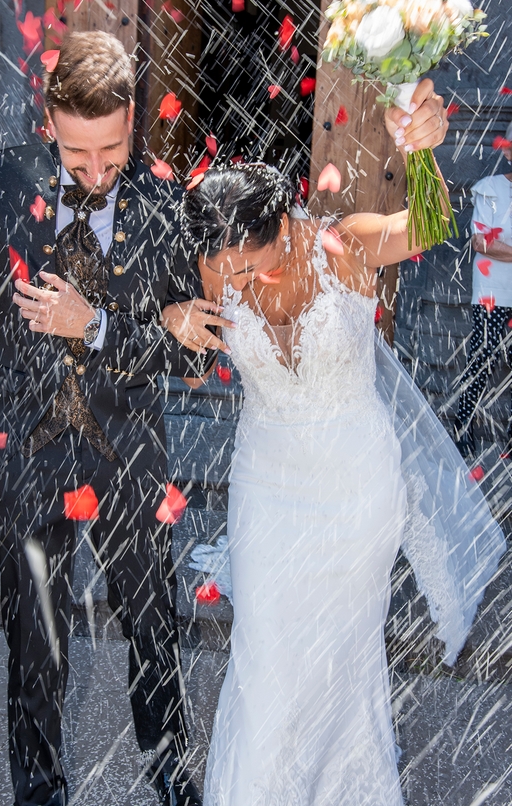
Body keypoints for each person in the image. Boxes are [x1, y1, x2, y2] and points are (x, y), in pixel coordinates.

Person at [0, 31, 231, 806]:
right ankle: (40, 794)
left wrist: (94, 326)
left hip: (128, 450)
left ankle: (171, 780)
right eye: (78, 154)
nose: (94, 172)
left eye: (112, 154)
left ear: (131, 122)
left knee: (154, 633)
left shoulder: (162, 202)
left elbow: (193, 356)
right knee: (35, 643)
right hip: (25, 449)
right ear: (49, 119)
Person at [174, 80, 505, 806]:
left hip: (355, 489)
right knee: (265, 660)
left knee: (338, 660)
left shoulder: (343, 245)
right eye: (216, 273)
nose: (226, 285)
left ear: (281, 230)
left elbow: (430, 222)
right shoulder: (212, 259)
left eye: (242, 269)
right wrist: (175, 320)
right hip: (268, 482)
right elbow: (176, 318)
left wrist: (422, 152)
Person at [454, 121, 512, 459]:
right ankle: (463, 433)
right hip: (493, 295)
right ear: (506, 151)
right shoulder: (489, 188)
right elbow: (480, 242)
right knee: (480, 364)